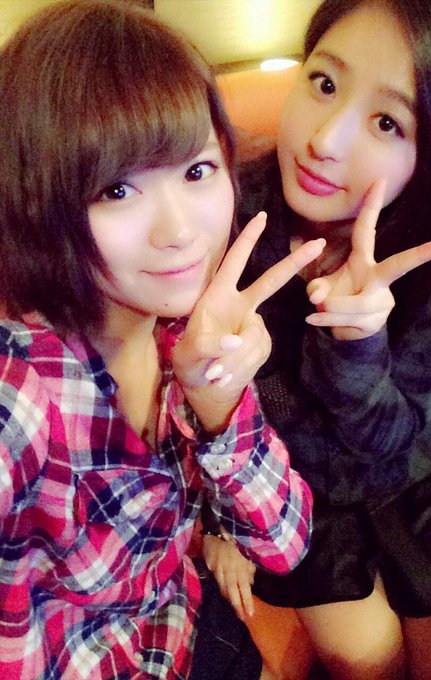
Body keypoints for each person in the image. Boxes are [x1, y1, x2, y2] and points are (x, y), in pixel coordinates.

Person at [0, 2, 326, 678]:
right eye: (116, 189)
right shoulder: (21, 400)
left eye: (197, 171)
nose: (178, 232)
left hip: (179, 621)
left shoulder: (187, 328)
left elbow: (284, 543)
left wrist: (220, 403)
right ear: (37, 203)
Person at [202, 0, 431, 678]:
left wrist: (356, 342)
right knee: (368, 662)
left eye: (388, 122)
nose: (326, 139)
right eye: (324, 83)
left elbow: (390, 436)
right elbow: (195, 379)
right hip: (296, 484)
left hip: (417, 466)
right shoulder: (232, 212)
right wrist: (221, 519)